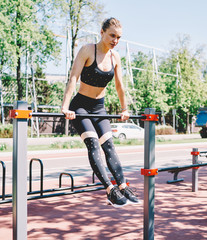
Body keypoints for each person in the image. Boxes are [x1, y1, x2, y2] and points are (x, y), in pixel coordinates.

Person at [61, 17, 139, 207]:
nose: (115, 40)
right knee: (93, 144)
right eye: (112, 35)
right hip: (80, 106)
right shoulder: (88, 50)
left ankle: (122, 186)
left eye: (119, 37)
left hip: (99, 107)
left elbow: (120, 86)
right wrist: (65, 107)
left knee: (109, 146)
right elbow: (73, 78)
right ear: (102, 32)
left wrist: (125, 109)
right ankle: (109, 189)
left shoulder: (115, 57)